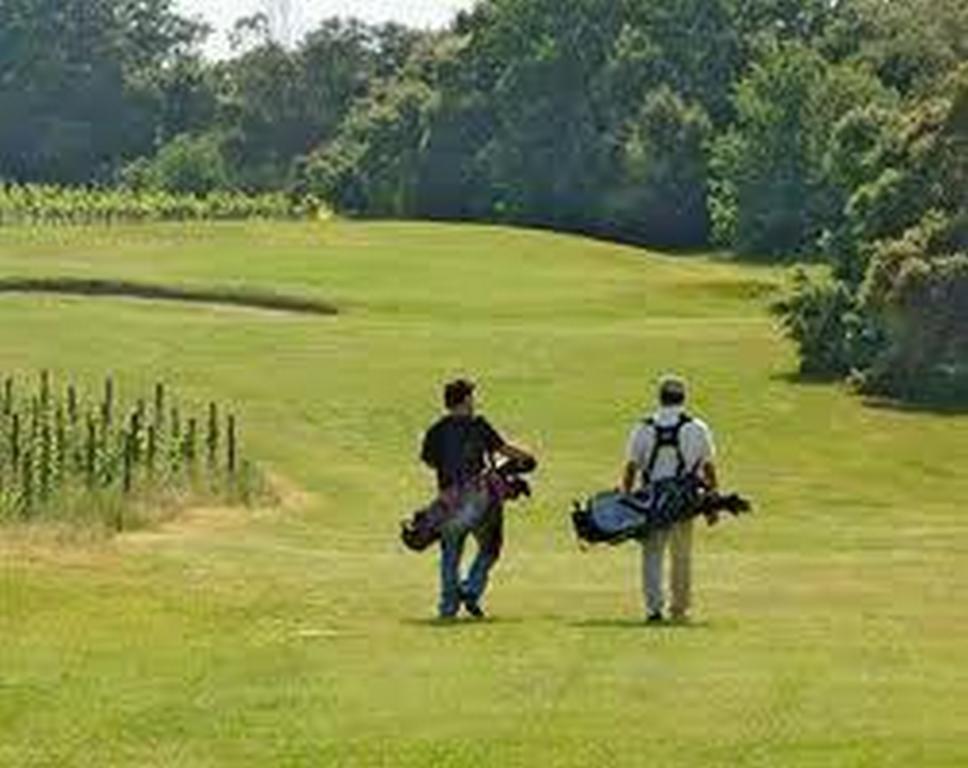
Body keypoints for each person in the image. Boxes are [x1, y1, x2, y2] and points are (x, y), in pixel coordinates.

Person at [420, 378, 533, 619]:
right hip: (480, 499)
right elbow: (503, 449)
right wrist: (526, 457)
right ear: (464, 400)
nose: (474, 401)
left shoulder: (436, 430)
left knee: (450, 555)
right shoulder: (478, 425)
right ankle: (471, 589)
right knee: (490, 549)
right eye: (471, 396)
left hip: (448, 501)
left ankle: (448, 608)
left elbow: (429, 460)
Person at [621, 375, 719, 623]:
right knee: (681, 556)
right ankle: (680, 609)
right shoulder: (697, 428)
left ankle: (654, 609)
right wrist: (713, 501)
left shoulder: (643, 427)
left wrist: (626, 499)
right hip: (684, 502)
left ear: (660, 398)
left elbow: (632, 467)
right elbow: (708, 468)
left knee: (652, 555)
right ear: (683, 398)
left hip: (651, 501)